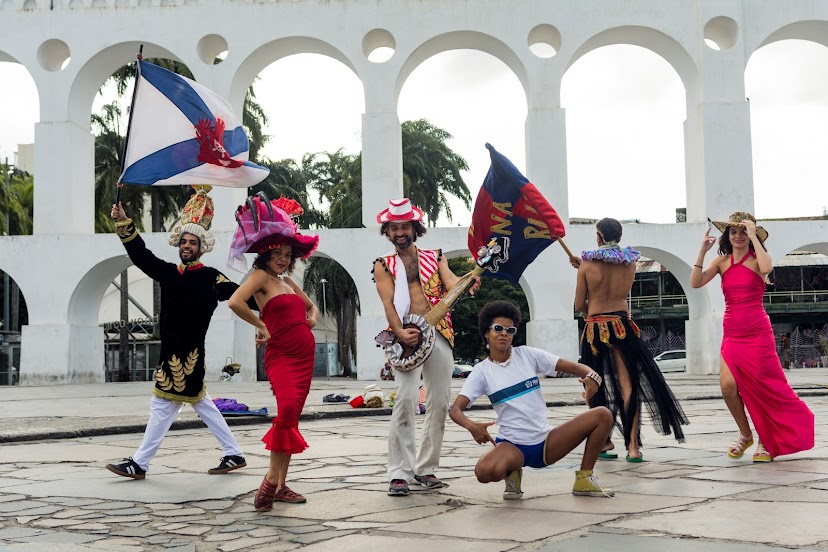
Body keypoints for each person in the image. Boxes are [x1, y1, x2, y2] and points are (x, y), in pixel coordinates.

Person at [105, 188, 251, 480]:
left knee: (162, 407)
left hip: (188, 358)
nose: (186, 245)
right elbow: (141, 256)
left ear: (201, 246)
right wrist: (124, 224)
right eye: (183, 241)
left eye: (192, 242)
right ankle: (234, 453)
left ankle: (140, 463)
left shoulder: (211, 278)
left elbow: (244, 297)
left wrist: (277, 301)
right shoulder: (170, 273)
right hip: (170, 354)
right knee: (201, 404)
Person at [449, 300, 615, 500]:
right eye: (498, 328)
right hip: (512, 445)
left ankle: (584, 479)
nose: (504, 333)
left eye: (510, 330)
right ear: (486, 332)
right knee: (484, 472)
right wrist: (471, 426)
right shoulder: (481, 371)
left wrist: (592, 377)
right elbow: (455, 410)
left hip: (546, 443)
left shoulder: (528, 355)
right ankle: (512, 470)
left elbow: (577, 368)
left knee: (603, 415)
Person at [372, 198, 479, 497]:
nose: (400, 232)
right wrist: (399, 332)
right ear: (388, 231)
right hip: (405, 336)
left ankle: (426, 467)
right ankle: (398, 473)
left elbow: (451, 282)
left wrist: (468, 281)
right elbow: (388, 304)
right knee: (405, 399)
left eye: (405, 226)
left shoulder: (435, 256)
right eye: (394, 228)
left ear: (415, 228)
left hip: (440, 331)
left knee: (440, 402)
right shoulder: (383, 264)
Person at [691, 211, 814, 462]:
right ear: (728, 235)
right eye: (733, 231)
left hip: (757, 333)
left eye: (743, 231)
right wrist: (702, 252)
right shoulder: (722, 262)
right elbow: (695, 283)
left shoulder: (758, 259)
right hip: (733, 333)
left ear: (751, 234)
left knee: (762, 389)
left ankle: (765, 441)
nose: (738, 236)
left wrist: (754, 235)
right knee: (727, 387)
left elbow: (768, 267)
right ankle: (745, 434)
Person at [227, 194, 319, 510]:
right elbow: (235, 301)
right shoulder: (261, 277)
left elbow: (312, 307)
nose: (282, 258)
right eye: (277, 253)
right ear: (265, 253)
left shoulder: (288, 281)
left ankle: (280, 486)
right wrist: (262, 324)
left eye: (287, 254)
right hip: (281, 356)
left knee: (291, 417)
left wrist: (310, 320)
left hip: (305, 356)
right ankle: (270, 480)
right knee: (286, 411)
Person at [573, 217, 687, 462]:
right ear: (619, 237)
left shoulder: (587, 264)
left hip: (595, 327)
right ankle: (633, 447)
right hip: (623, 325)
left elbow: (580, 304)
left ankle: (603, 442)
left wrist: (585, 281)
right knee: (629, 386)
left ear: (599, 236)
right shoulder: (629, 263)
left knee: (593, 383)